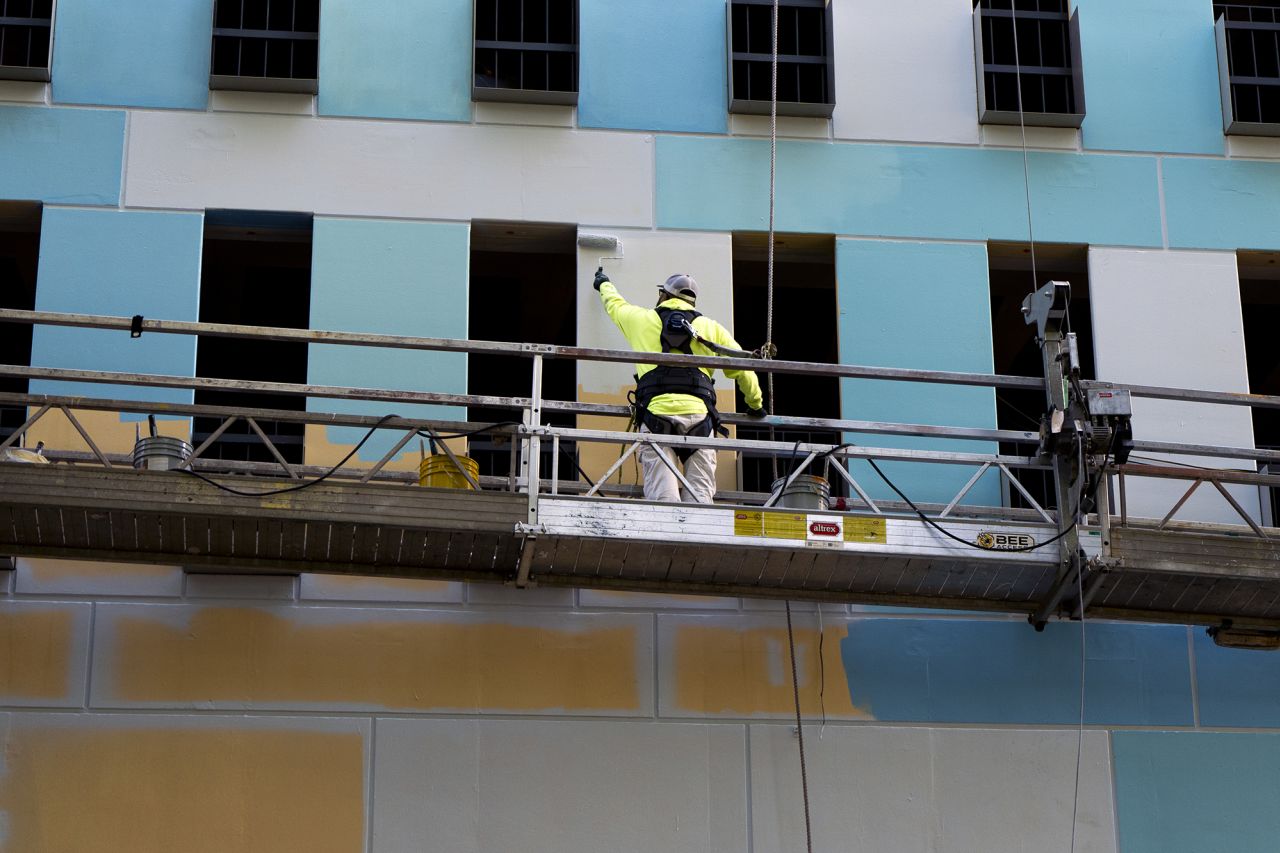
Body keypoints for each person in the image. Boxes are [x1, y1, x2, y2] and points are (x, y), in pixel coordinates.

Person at [593, 267, 766, 503]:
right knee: (700, 495)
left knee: (664, 497)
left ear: (664, 295)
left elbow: (615, 305)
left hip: (656, 415)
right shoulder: (710, 328)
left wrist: (603, 283)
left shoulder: (641, 319)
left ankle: (668, 534)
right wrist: (755, 404)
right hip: (699, 418)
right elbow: (743, 369)